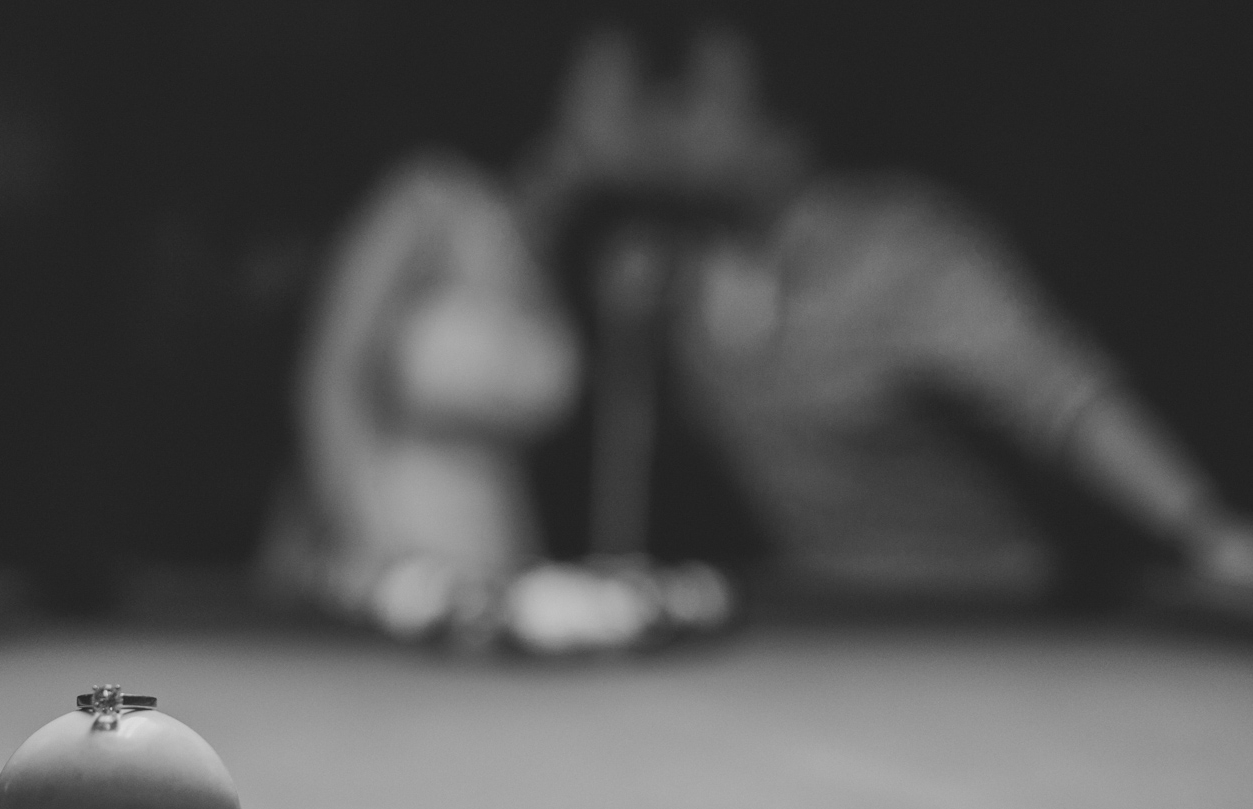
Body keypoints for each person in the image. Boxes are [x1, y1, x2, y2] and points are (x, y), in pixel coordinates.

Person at [582, 27, 1253, 605]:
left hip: (989, 608)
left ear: (783, 132)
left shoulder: (906, 246)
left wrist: (1204, 530)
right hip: (831, 615)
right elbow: (598, 152)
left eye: (701, 100)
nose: (669, 124)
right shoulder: (671, 271)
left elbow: (1061, 393)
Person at [259, 31, 732, 649]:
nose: (637, 108)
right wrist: (374, 553)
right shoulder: (426, 201)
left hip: (500, 566)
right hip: (373, 555)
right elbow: (327, 381)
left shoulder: (568, 242)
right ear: (547, 88)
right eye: (610, 88)